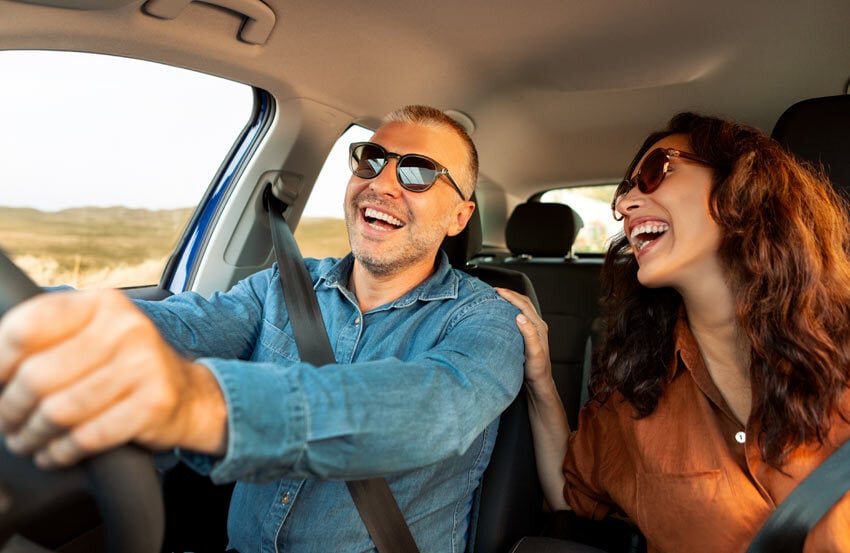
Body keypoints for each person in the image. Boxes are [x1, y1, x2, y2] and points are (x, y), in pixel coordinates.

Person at [0, 105, 525, 552]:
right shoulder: (282, 286)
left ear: (459, 216)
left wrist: (195, 403)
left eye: (418, 172)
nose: (382, 182)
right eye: (371, 159)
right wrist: (42, 318)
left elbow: (432, 411)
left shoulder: (487, 320)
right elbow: (185, 324)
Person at [499, 112, 850, 552]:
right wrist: (542, 381)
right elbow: (570, 494)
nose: (625, 206)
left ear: (741, 184)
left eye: (653, 172)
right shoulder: (636, 392)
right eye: (622, 195)